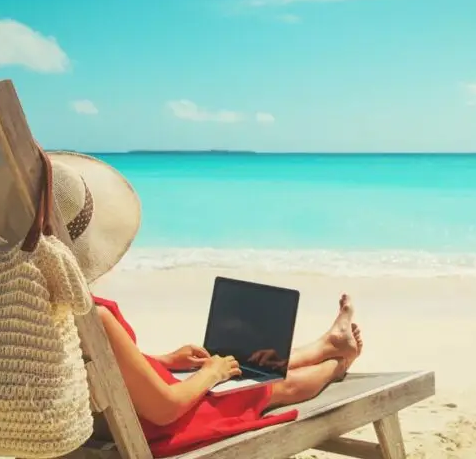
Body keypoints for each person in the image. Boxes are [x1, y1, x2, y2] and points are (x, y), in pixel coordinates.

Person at [24, 152, 365, 456]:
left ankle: (325, 345)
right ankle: (339, 362)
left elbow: (87, 363)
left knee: (243, 367)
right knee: (272, 387)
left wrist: (165, 359)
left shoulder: (31, 302)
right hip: (147, 424)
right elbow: (164, 409)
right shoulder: (93, 313)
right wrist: (210, 374)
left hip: (115, 407)